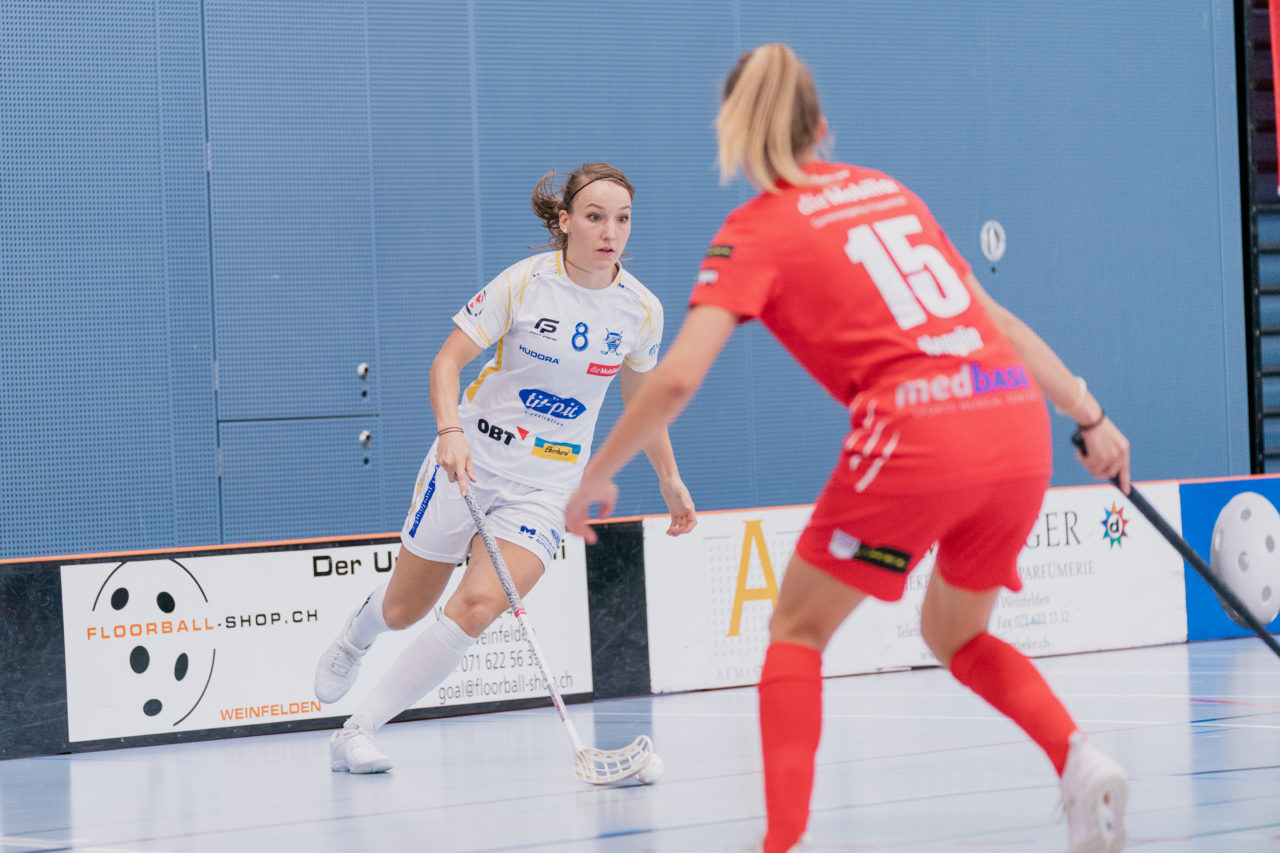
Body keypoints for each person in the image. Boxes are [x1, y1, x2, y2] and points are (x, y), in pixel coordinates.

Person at [564, 45, 1130, 853]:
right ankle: (1078, 757)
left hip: (917, 433)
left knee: (796, 626)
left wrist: (598, 472)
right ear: (822, 128)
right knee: (958, 634)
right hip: (1015, 421)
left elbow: (676, 377)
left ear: (732, 128)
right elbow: (995, 321)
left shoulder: (752, 230)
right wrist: (1092, 415)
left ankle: (781, 843)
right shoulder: (888, 192)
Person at [316, 162, 698, 774]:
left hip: (548, 487)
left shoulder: (640, 310)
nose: (610, 232)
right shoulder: (525, 284)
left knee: (477, 607)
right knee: (404, 611)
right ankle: (353, 638)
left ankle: (355, 732)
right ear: (566, 221)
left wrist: (669, 478)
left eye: (622, 219)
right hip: (471, 460)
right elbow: (447, 363)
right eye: (596, 217)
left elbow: (642, 402)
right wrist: (449, 434)